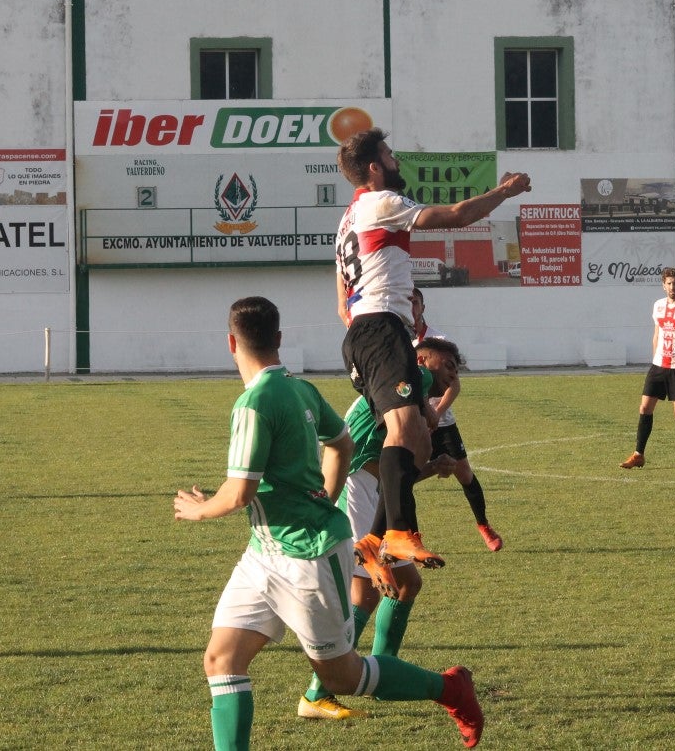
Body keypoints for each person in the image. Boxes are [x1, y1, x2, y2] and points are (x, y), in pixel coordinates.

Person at [174, 296, 484, 749]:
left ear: (231, 343)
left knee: (342, 676)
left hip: (307, 558)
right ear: (279, 339)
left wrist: (197, 508)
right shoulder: (300, 389)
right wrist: (325, 494)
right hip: (264, 552)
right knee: (221, 661)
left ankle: (451, 689)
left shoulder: (253, 403)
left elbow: (239, 493)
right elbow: (340, 443)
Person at [334, 127, 530, 569]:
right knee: (406, 432)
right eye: (389, 155)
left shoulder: (348, 219)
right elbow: (457, 216)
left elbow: (341, 300)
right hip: (381, 329)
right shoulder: (381, 202)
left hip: (368, 331)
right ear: (373, 167)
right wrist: (505, 190)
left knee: (420, 437)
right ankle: (398, 533)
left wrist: (368, 329)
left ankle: (374, 538)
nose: (396, 161)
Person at [297, 344, 458, 721]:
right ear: (421, 361)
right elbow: (386, 459)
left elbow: (394, 471)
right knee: (368, 593)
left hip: (370, 488)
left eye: (458, 368)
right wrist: (443, 397)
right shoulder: (414, 377)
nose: (454, 373)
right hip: (354, 487)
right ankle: (317, 693)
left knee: (405, 585)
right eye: (448, 364)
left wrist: (431, 467)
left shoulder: (402, 392)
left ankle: (382, 675)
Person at [412, 290, 503, 552]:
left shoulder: (439, 341)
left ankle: (484, 525)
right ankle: (413, 539)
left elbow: (454, 384)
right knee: (405, 478)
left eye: (415, 302)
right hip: (411, 421)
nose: (411, 307)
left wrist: (437, 414)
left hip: (442, 422)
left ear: (423, 306)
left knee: (464, 473)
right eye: (406, 302)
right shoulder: (398, 340)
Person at [620, 267, 675, 472]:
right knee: (644, 408)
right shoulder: (658, 306)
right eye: (669, 283)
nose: (672, 287)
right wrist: (654, 360)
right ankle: (638, 455)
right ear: (663, 285)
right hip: (659, 366)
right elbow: (656, 334)